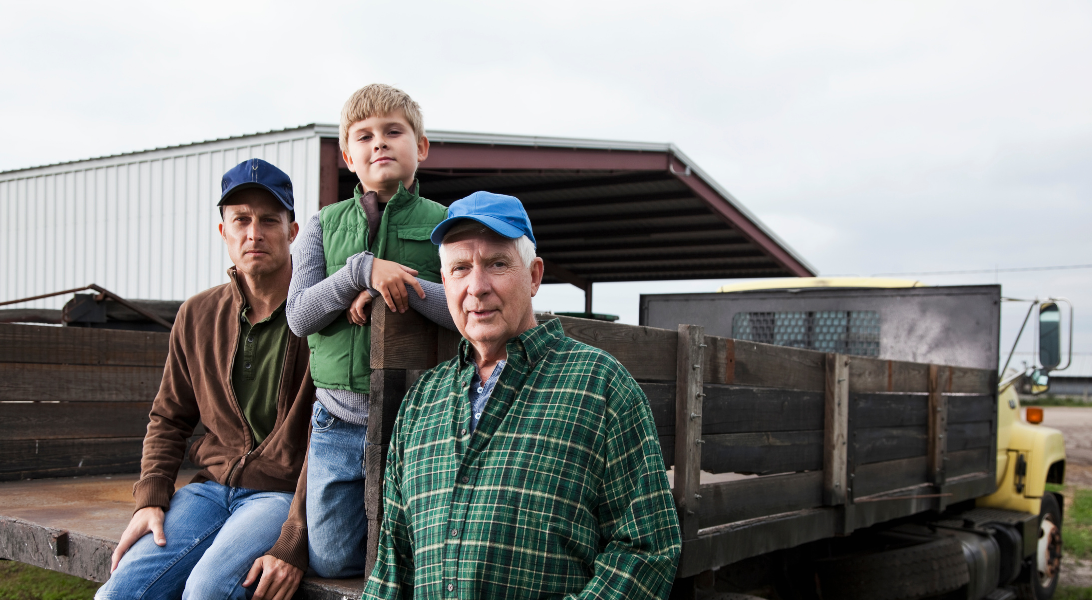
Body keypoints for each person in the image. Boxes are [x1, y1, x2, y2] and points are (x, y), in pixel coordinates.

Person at [364, 192, 682, 599]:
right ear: (445, 283)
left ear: (533, 276)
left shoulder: (600, 385)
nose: (477, 287)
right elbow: (394, 564)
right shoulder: (422, 401)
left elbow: (645, 549)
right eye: (460, 268)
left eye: (497, 264)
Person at [97, 159, 313, 600]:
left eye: (269, 220)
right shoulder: (196, 314)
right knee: (119, 592)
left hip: (279, 496)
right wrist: (153, 495)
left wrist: (297, 532)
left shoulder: (318, 311)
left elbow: (332, 434)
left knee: (206, 591)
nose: (254, 233)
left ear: (292, 232)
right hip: (208, 490)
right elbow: (169, 416)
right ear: (223, 232)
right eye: (241, 220)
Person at [286, 83, 454, 578]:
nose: (378, 142)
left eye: (393, 131)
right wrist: (360, 272)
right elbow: (299, 316)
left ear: (419, 147)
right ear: (348, 156)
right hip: (337, 420)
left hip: (418, 419)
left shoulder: (446, 225)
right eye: (364, 136)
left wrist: (395, 285)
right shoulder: (321, 225)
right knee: (330, 558)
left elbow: (463, 311)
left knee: (419, 552)